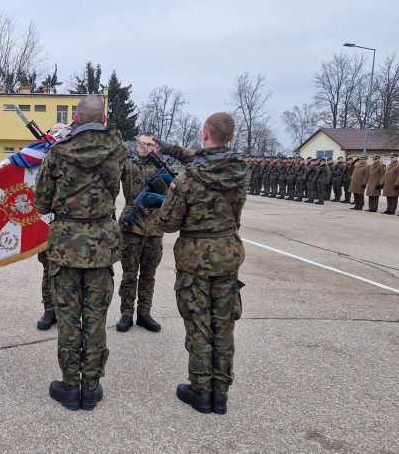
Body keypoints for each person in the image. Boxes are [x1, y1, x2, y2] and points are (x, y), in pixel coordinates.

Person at [147, 112, 248, 415]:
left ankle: (200, 390)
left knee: (199, 325)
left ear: (205, 134)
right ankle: (221, 393)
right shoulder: (241, 170)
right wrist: (167, 147)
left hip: (195, 258)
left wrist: (161, 200)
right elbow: (203, 157)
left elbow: (167, 222)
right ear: (231, 137)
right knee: (224, 325)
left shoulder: (188, 178)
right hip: (228, 255)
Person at [34, 95, 126, 411]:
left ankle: (70, 386)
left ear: (75, 117)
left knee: (70, 319)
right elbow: (116, 189)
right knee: (96, 319)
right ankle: (92, 385)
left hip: (65, 245)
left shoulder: (58, 153)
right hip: (102, 245)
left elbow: (41, 202)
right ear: (103, 119)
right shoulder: (118, 149)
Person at [115, 132, 164, 333]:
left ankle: (144, 314)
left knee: (148, 275)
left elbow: (172, 193)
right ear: (136, 147)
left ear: (156, 148)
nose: (145, 147)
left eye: (150, 144)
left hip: (154, 228)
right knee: (129, 274)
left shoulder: (162, 170)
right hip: (131, 226)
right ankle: (126, 314)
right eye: (141, 144)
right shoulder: (128, 166)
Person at [36, 122, 67, 331]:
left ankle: (66, 311)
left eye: (63, 133)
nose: (59, 136)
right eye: (55, 132)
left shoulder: (74, 158)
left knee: (69, 273)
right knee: (49, 271)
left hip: (69, 227)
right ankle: (50, 311)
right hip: (45, 224)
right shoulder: (38, 158)